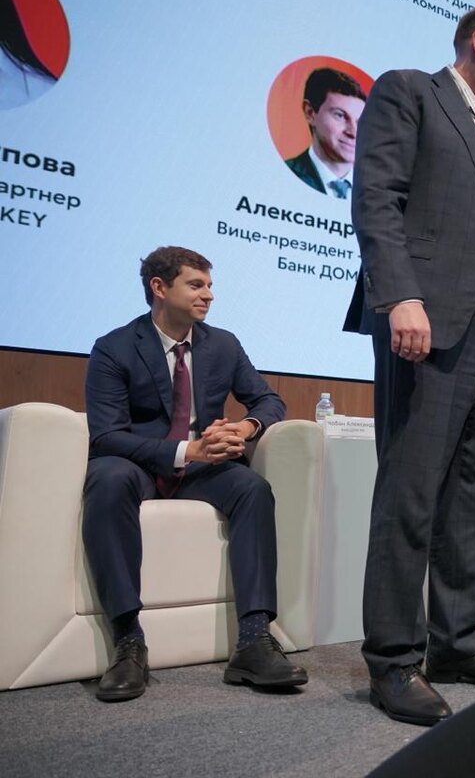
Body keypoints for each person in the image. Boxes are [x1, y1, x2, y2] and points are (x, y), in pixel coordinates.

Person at [344, 3, 475, 726]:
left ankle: (455, 643)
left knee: (471, 499)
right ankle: (394, 660)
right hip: (425, 320)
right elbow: (377, 199)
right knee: (411, 494)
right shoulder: (409, 91)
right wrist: (400, 295)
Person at [83, 246, 307, 702]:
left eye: (210, 285)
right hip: (140, 463)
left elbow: (268, 400)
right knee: (107, 479)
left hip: (204, 468)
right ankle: (128, 642)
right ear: (159, 288)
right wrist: (188, 449)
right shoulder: (114, 347)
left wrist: (245, 428)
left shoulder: (223, 344)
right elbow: (106, 436)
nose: (209, 295)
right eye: (196, 285)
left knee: (252, 488)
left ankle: (254, 641)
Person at [284, 67, 366, 198]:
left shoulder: (379, 190)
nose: (354, 133)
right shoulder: (281, 174)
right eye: (340, 115)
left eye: (360, 121)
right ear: (310, 113)